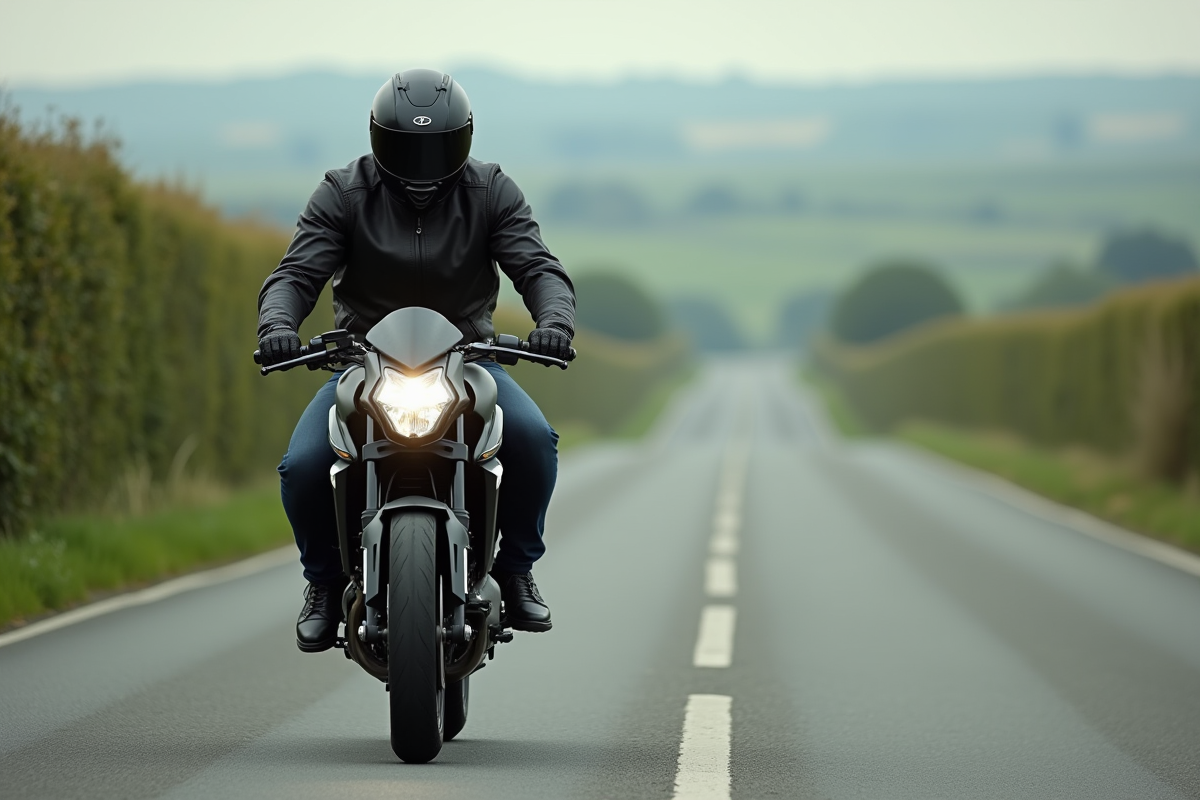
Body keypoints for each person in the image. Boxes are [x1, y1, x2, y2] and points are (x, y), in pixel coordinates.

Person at [256, 69, 575, 653]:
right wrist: (277, 324)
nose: (423, 164)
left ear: (466, 139)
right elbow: (298, 275)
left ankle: (517, 568)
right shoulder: (342, 191)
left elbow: (537, 269)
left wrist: (554, 322)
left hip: (470, 360)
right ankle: (324, 584)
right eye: (408, 147)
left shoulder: (492, 190)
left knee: (533, 439)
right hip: (362, 364)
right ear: (379, 139)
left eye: (438, 146)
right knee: (302, 466)